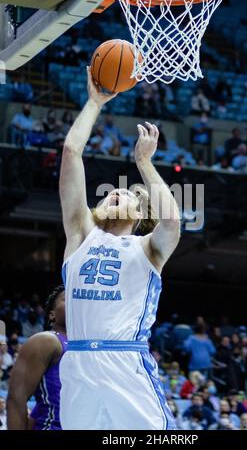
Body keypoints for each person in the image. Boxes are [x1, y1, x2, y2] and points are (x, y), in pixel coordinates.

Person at [58, 67, 181, 430]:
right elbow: (70, 152)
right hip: (78, 363)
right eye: (111, 191)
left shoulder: (147, 248)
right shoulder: (81, 235)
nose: (114, 192)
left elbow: (172, 221)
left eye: (124, 194)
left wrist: (143, 162)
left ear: (141, 215)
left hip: (125, 363)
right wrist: (94, 103)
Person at [7, 286, 67, 430]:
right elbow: (16, 401)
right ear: (52, 315)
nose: (75, 301)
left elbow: (41, 408)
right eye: (67, 299)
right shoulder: (46, 340)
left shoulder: (91, 347)